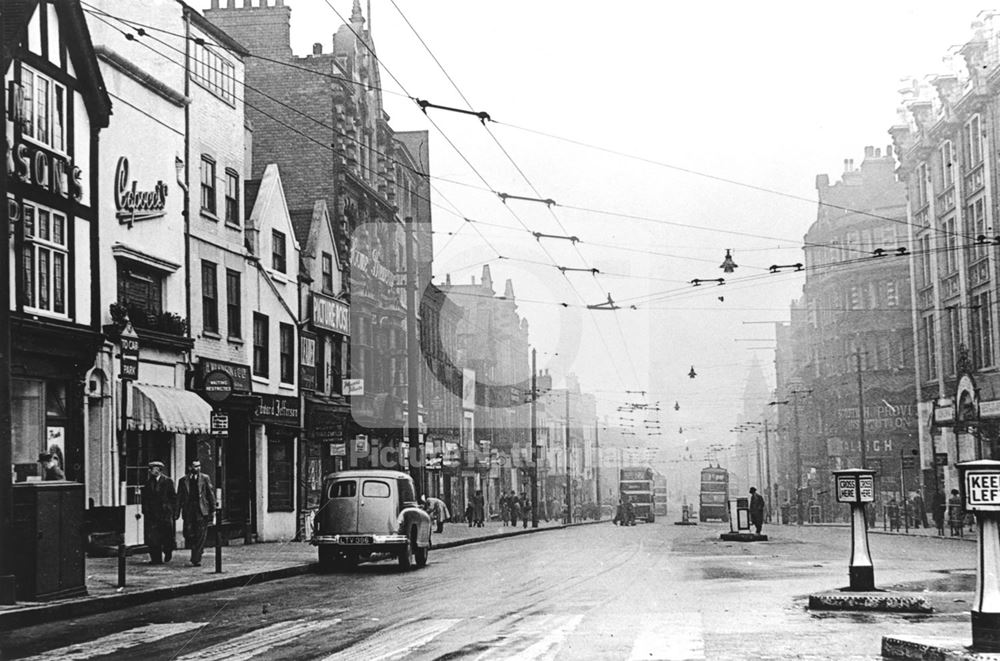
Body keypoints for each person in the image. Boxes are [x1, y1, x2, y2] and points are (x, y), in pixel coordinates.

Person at [175, 460, 216, 566]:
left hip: (201, 511)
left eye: (199, 466)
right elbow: (179, 498)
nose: (197, 468)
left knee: (200, 535)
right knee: (188, 534)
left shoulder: (205, 478)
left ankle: (196, 558)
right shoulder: (183, 480)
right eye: (195, 466)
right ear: (189, 467)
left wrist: (213, 510)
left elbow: (210, 494)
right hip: (188, 511)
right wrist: (177, 512)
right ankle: (198, 550)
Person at [142, 461, 176, 564]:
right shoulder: (148, 483)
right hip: (152, 515)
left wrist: (171, 510)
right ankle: (156, 559)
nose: (150, 471)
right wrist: (145, 511)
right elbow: (145, 499)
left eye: (151, 469)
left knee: (166, 536)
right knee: (153, 538)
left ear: (158, 470)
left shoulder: (168, 481)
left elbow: (173, 497)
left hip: (164, 514)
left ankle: (168, 551)